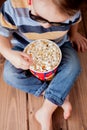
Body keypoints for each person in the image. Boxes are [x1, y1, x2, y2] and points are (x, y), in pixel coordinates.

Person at [0, 0, 87, 130]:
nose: (46, 26)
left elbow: (75, 20)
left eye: (57, 23)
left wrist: (74, 35)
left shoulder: (72, 9)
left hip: (60, 44)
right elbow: (1, 34)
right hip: (23, 46)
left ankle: (45, 111)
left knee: (73, 66)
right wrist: (8, 53)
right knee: (10, 74)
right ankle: (57, 96)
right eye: (38, 17)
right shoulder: (13, 7)